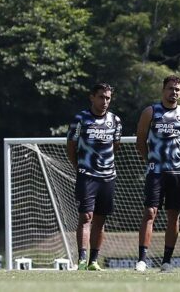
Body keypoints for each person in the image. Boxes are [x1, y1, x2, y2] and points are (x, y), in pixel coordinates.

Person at [135, 75, 180, 272]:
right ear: (163, 90)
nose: (174, 93)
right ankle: (142, 259)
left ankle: (166, 260)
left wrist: (178, 159)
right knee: (150, 212)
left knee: (174, 215)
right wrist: (151, 160)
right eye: (170, 88)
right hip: (156, 172)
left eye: (177, 89)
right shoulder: (150, 112)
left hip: (178, 172)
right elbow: (140, 141)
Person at [66, 83, 123, 271]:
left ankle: (93, 260)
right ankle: (82, 259)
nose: (105, 101)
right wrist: (80, 167)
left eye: (108, 98)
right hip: (86, 175)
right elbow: (71, 147)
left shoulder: (115, 120)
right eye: (101, 97)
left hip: (107, 177)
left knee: (100, 218)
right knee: (86, 216)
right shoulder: (80, 119)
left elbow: (115, 145)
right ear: (92, 97)